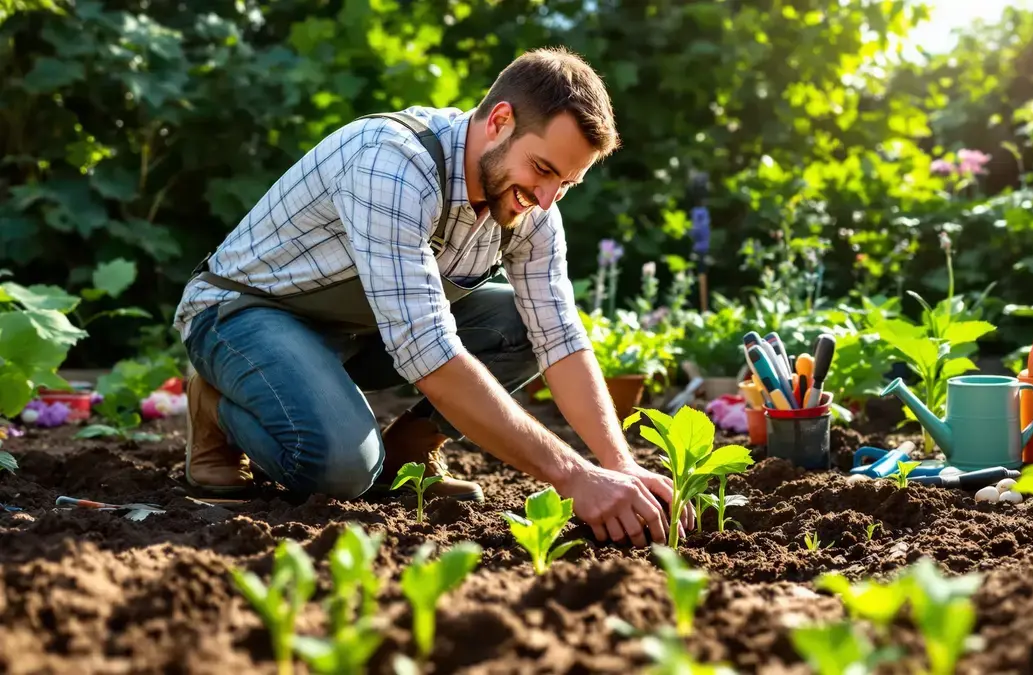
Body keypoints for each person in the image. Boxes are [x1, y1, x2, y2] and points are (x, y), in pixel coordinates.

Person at [172, 47, 692, 547]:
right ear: (500, 121)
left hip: (357, 332)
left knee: (521, 326)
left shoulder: (531, 208)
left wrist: (620, 465)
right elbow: (428, 351)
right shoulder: (390, 163)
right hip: (242, 315)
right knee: (342, 470)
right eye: (543, 169)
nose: (547, 198)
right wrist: (575, 477)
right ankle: (218, 405)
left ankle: (409, 454)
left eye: (567, 183)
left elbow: (559, 337)